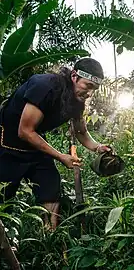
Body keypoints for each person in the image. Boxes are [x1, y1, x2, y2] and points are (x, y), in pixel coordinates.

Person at [0, 58, 110, 230]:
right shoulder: (45, 86)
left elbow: (81, 131)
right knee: (4, 198)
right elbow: (25, 131)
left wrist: (97, 147)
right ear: (74, 76)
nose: (90, 93)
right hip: (7, 145)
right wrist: (60, 157)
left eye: (94, 89)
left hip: (35, 145)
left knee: (50, 186)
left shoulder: (77, 100)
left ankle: (49, 236)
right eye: (88, 86)